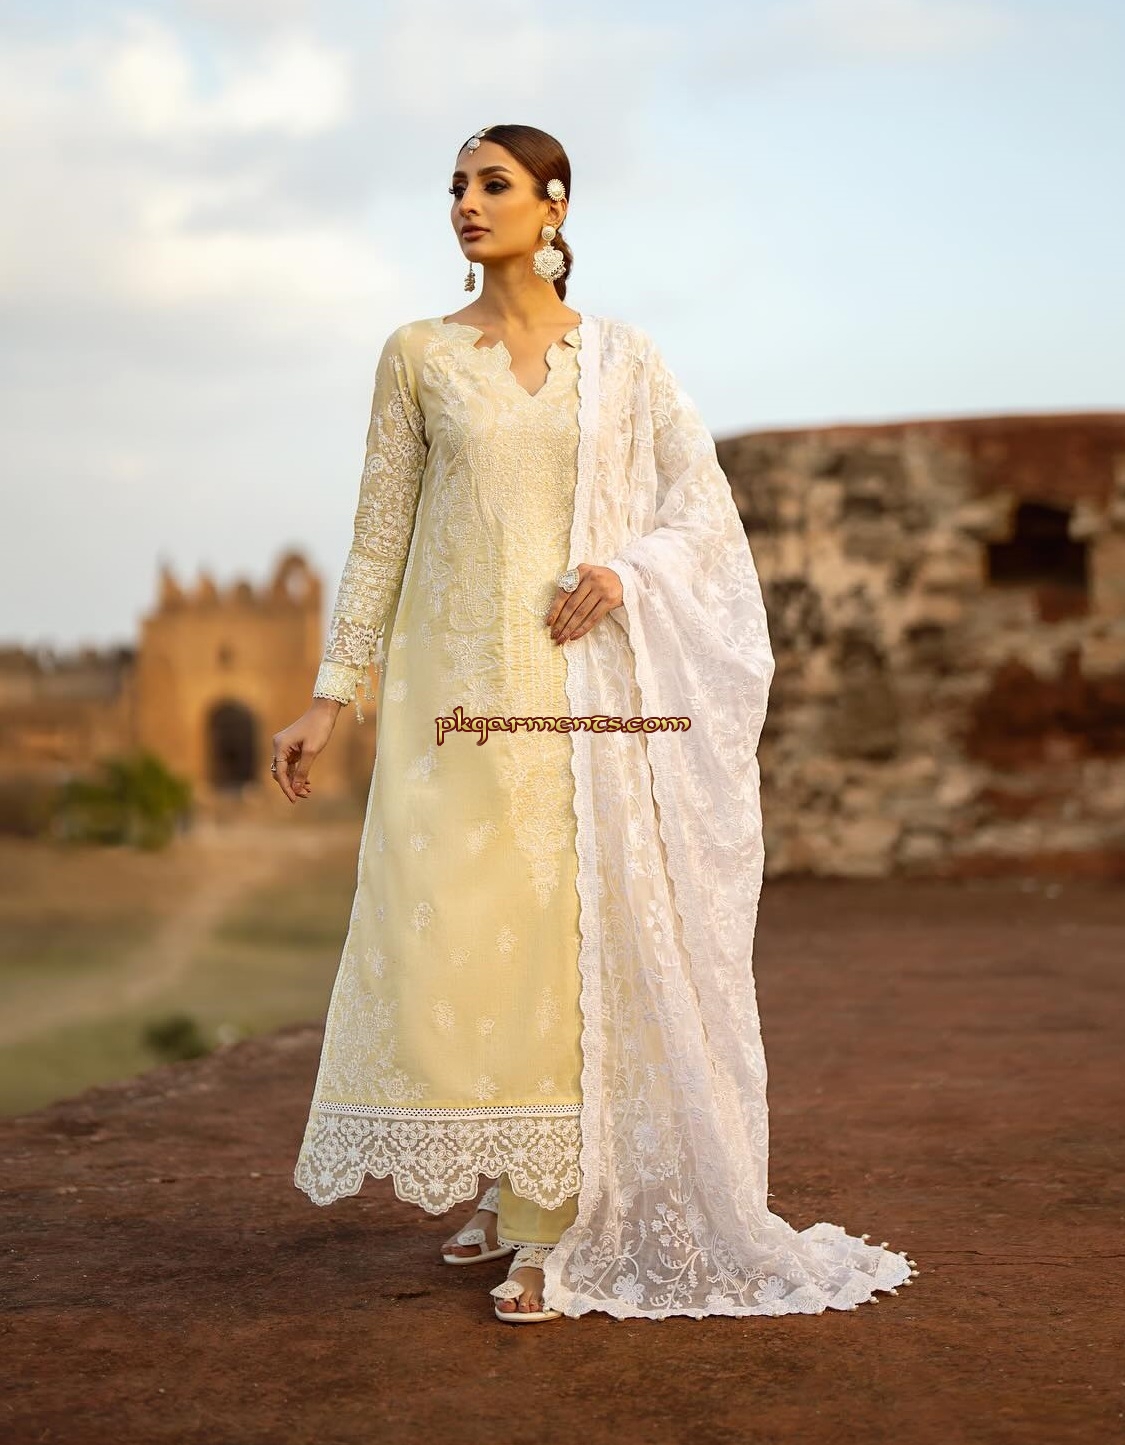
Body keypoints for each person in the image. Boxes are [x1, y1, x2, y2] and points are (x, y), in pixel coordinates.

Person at [278, 123, 919, 1324]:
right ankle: (501, 1168)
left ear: (555, 204)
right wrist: (333, 691)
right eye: (456, 186)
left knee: (557, 943)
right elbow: (379, 531)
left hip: (579, 699)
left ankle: (550, 1219)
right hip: (448, 702)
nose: (466, 203)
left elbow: (701, 513)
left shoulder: (623, 361)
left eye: (494, 183)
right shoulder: (417, 355)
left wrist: (627, 575)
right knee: (456, 945)